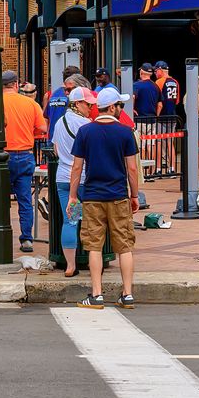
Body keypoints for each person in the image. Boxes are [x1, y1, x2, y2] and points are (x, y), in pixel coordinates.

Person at [69, 86, 143, 309]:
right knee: (125, 245)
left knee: (94, 246)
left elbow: (77, 167)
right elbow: (131, 169)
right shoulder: (125, 132)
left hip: (92, 196)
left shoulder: (85, 132)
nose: (121, 108)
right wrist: (134, 195)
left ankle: (97, 294)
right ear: (111, 107)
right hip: (119, 195)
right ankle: (127, 294)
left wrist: (73, 196)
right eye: (119, 105)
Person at [1, 69, 50, 256]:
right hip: (25, 154)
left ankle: (2, 236)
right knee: (24, 200)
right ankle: (27, 238)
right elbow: (43, 128)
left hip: (2, 155)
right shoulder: (30, 104)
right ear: (15, 84)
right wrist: (30, 133)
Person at [50, 86, 97, 276]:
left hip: (63, 178)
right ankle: (94, 263)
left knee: (71, 220)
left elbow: (55, 149)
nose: (90, 108)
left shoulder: (60, 122)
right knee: (92, 221)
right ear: (77, 104)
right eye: (87, 104)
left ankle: (70, 266)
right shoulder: (86, 124)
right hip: (83, 179)